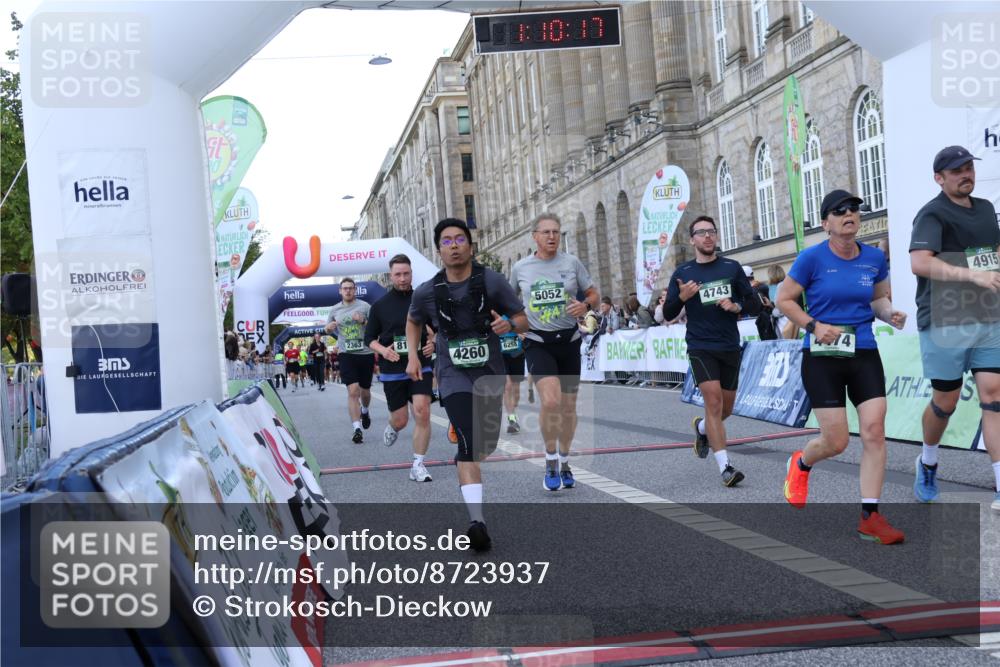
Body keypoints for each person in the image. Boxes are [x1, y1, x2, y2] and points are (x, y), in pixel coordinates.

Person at [779, 189, 908, 544]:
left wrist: (889, 313)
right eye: (840, 211)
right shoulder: (811, 259)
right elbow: (784, 299)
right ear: (826, 223)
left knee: (874, 431)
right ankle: (802, 463)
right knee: (836, 441)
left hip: (863, 350)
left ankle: (871, 516)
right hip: (822, 356)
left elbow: (878, 298)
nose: (850, 214)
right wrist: (813, 326)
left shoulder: (874, 258)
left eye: (854, 209)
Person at [407, 218, 528, 551]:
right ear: (439, 250)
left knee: (483, 445)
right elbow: (413, 319)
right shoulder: (428, 290)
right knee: (469, 445)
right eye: (447, 241)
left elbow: (522, 318)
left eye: (460, 239)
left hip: (489, 372)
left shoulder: (491, 280)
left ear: (470, 246)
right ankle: (477, 522)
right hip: (451, 373)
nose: (454, 245)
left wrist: (509, 324)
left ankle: (466, 441)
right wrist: (414, 357)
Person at [909, 146, 1000, 510]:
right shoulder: (932, 213)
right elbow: (919, 263)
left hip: (988, 317)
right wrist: (969, 275)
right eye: (956, 170)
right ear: (939, 178)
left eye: (968, 168)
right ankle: (928, 460)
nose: (966, 174)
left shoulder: (987, 209)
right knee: (945, 401)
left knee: (994, 398)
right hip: (944, 320)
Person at [662, 215, 760, 487]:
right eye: (701, 232)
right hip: (700, 346)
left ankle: (702, 429)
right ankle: (725, 467)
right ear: (692, 239)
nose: (707, 236)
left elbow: (755, 304)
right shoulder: (683, 273)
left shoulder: (732, 267)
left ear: (716, 236)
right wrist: (681, 298)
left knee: (726, 408)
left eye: (711, 232)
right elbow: (668, 312)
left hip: (729, 345)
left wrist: (736, 306)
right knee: (713, 402)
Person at [510, 213, 601, 491]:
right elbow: (507, 300)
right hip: (538, 341)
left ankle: (564, 460)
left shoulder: (571, 263)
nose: (551, 237)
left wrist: (585, 306)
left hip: (569, 340)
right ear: (534, 236)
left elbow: (594, 294)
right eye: (546, 232)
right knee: (550, 403)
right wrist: (516, 325)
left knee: (569, 408)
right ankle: (550, 460)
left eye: (556, 232)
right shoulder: (521, 268)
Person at [365, 254, 436, 482]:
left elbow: (438, 329)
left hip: (421, 366)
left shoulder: (423, 300)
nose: (403, 279)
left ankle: (418, 464)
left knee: (422, 410)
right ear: (390, 276)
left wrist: (432, 343)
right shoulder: (379, 306)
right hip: (392, 368)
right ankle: (393, 427)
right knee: (401, 420)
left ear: (412, 273)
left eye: (406, 274)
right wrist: (384, 350)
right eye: (398, 274)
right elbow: (369, 339)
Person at [326, 278, 375, 443]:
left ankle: (365, 410)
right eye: (344, 288)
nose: (347, 291)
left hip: (365, 353)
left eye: (350, 288)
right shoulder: (334, 309)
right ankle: (357, 429)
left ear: (355, 290)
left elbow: (376, 329)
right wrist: (328, 328)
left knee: (365, 391)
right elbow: (328, 328)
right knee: (353, 391)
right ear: (340, 291)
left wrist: (363, 321)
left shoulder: (365, 306)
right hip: (346, 354)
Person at [499, 318, 526, 433]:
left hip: (516, 353)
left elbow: (526, 326)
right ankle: (512, 419)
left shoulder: (516, 311)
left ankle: (512, 412)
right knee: (507, 386)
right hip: (500, 355)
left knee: (516, 393)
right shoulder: (493, 312)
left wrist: (523, 333)